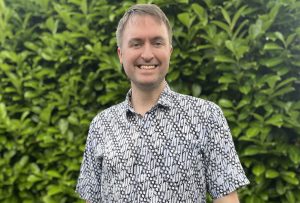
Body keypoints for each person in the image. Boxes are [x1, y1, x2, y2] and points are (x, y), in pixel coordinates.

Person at [76, 4, 249, 203]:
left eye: (157, 42)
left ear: (170, 51)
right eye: (136, 43)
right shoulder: (102, 125)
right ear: (121, 55)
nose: (147, 54)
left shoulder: (207, 116)